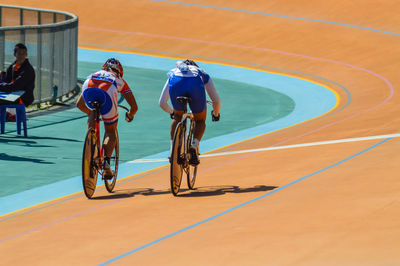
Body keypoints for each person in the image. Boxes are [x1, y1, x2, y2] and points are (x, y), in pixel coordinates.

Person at [76, 58, 138, 178]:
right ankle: (106, 164)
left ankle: (91, 140)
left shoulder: (94, 74)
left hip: (88, 84)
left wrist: (91, 113)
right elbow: (134, 107)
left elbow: (79, 104)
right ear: (119, 71)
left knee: (92, 111)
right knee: (110, 130)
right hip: (108, 89)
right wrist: (130, 115)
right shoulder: (119, 79)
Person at [159, 59, 221, 165]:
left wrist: (173, 113)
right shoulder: (201, 72)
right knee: (200, 120)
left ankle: (172, 149)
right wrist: (215, 114)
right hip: (195, 85)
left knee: (177, 117)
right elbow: (216, 101)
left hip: (176, 83)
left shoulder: (173, 72)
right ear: (195, 66)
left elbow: (162, 103)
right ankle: (194, 145)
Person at [0, 43, 35, 120]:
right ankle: (7, 116)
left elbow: (14, 86)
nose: (21, 56)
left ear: (26, 54)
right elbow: (6, 82)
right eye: (19, 53)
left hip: (22, 98)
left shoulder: (28, 70)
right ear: (14, 54)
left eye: (24, 54)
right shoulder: (12, 67)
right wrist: (2, 75)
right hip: (12, 95)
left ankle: (7, 116)